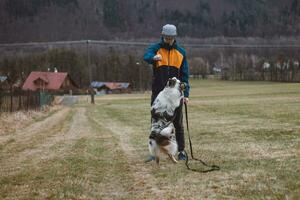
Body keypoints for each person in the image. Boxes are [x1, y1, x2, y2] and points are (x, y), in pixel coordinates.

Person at [143, 24, 190, 161]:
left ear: (174, 37)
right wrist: (153, 58)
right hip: (159, 96)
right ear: (162, 36)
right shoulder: (156, 49)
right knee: (155, 124)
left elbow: (185, 76)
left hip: (175, 97)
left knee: (178, 124)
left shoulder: (181, 53)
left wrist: (186, 94)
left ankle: (181, 151)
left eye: (171, 38)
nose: (168, 40)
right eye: (166, 37)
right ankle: (153, 153)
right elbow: (146, 56)